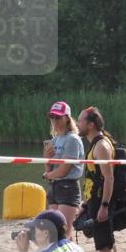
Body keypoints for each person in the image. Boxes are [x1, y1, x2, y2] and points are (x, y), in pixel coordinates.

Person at [75, 107, 118, 252]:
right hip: (95, 200)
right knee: (109, 244)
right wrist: (85, 204)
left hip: (102, 201)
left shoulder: (101, 146)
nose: (78, 124)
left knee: (104, 247)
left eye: (80, 121)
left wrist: (104, 206)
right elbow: (94, 178)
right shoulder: (95, 144)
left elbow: (108, 178)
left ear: (90, 124)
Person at [43, 101, 84, 240]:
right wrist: (47, 159)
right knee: (54, 235)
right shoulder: (54, 140)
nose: (55, 121)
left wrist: (47, 175)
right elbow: (51, 168)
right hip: (54, 187)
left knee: (64, 235)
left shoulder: (72, 139)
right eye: (52, 117)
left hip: (68, 187)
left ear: (67, 118)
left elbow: (64, 171)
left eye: (58, 117)